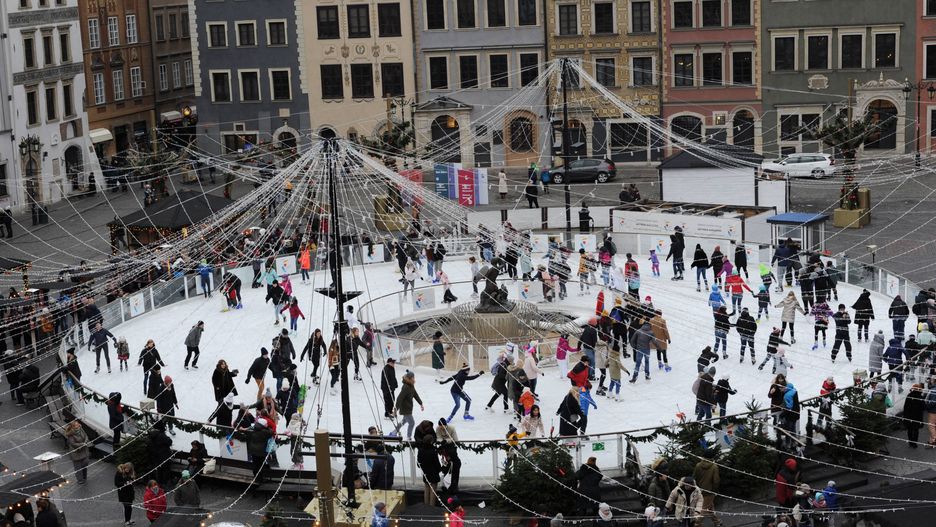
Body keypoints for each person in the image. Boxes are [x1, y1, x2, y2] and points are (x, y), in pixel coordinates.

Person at [692, 451, 721, 527]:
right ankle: (697, 524)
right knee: (704, 509)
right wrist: (714, 490)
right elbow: (716, 480)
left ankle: (717, 522)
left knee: (710, 507)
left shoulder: (698, 465)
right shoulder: (714, 466)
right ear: (712, 457)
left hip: (700, 490)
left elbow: (694, 477)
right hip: (709, 491)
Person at [393, 371, 423, 439]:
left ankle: (394, 431)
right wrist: (395, 409)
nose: (414, 379)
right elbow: (399, 398)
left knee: (404, 421)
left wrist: (420, 403)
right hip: (405, 408)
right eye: (412, 377)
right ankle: (409, 437)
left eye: (413, 377)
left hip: (409, 407)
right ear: (409, 378)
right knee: (412, 423)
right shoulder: (406, 387)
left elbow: (415, 394)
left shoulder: (411, 385)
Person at [436, 418, 461, 493]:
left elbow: (455, 440)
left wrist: (446, 441)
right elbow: (438, 437)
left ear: (445, 425)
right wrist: (441, 442)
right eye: (440, 427)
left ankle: (454, 485)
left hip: (452, 449)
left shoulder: (451, 428)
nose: (441, 428)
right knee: (446, 468)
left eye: (443, 426)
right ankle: (445, 486)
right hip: (444, 450)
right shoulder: (438, 428)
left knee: (455, 468)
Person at [247, 418, 274, 484]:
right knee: (260, 465)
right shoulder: (265, 432)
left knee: (255, 464)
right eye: (266, 424)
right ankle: (260, 479)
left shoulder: (253, 428)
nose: (267, 424)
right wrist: (267, 427)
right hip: (261, 451)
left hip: (253, 449)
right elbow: (271, 432)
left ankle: (256, 477)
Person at [629, 318, 655, 383]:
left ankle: (634, 377)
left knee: (637, 364)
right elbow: (655, 342)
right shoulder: (650, 332)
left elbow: (632, 340)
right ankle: (647, 375)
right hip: (647, 350)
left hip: (639, 349)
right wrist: (660, 348)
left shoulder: (638, 331)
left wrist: (634, 347)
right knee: (647, 362)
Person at [65, 420, 90, 484]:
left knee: (86, 462)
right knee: (78, 467)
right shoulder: (71, 434)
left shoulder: (81, 429)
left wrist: (85, 442)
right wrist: (82, 444)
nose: (78, 425)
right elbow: (73, 444)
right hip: (76, 452)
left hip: (84, 450)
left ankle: (84, 476)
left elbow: (86, 436)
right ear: (73, 427)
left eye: (78, 424)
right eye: (76, 425)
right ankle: (80, 480)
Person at [904, 383, 925, 447]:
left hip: (909, 416)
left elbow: (905, 407)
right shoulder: (920, 397)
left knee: (909, 429)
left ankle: (910, 442)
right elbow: (923, 407)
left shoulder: (909, 395)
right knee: (916, 430)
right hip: (917, 416)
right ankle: (914, 443)